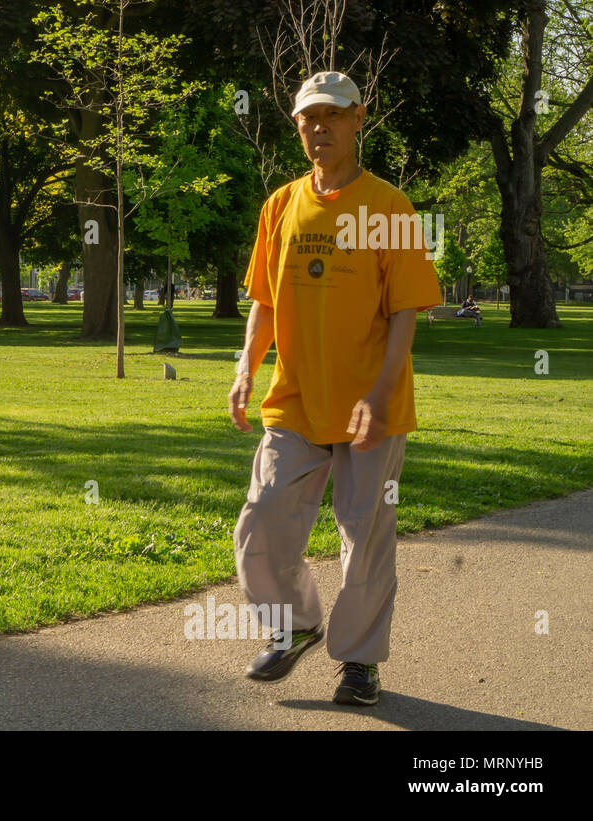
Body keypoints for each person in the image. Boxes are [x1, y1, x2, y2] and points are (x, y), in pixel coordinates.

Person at [227, 71, 443, 706]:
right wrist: (245, 367)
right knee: (262, 520)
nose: (319, 128)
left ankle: (359, 662)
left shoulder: (391, 208)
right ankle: (293, 625)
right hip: (294, 398)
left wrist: (379, 394)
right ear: (298, 128)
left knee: (365, 534)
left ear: (358, 119)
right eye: (307, 120)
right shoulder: (281, 204)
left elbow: (406, 310)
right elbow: (263, 300)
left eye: (332, 116)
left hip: (369, 402)